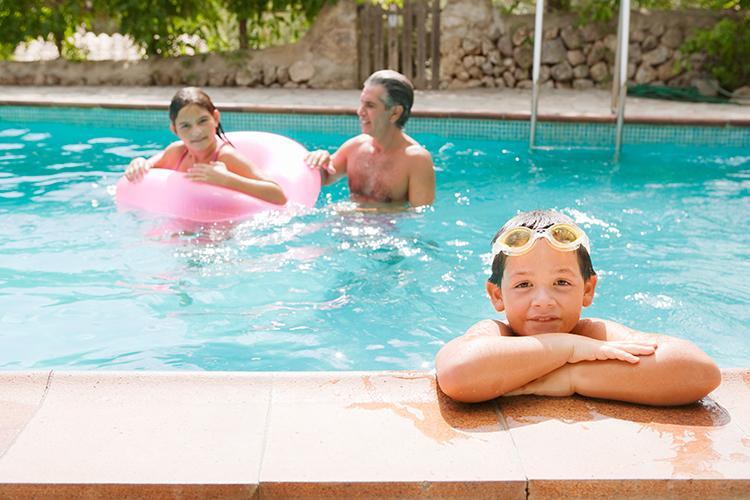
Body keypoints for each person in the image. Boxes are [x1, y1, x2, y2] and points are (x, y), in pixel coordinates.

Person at [435, 209, 721, 406]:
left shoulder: (594, 333)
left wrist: (571, 377)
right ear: (497, 296)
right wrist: (567, 348)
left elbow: (699, 372)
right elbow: (457, 374)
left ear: (587, 289)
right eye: (523, 285)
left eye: (561, 282)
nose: (543, 300)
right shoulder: (497, 334)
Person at [124, 87, 287, 205]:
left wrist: (226, 179)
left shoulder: (226, 157)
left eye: (202, 121)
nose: (196, 132)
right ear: (174, 130)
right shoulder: (177, 153)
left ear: (215, 118)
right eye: (185, 126)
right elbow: (149, 167)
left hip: (223, 232)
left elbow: (278, 195)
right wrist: (139, 162)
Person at [304, 70, 435, 208]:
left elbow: (420, 218)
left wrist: (362, 213)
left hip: (388, 229)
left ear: (395, 112)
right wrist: (319, 160)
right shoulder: (355, 147)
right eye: (362, 103)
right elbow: (324, 178)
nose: (360, 112)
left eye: (370, 105)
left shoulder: (416, 160)